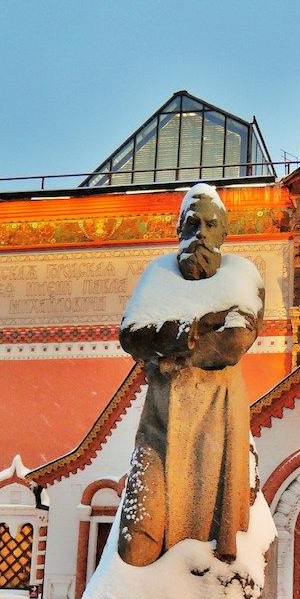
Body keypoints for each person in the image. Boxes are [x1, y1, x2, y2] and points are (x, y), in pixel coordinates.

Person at [114, 183, 264, 567]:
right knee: (136, 548)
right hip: (160, 426)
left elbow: (233, 343)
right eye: (192, 223)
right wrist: (196, 328)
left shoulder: (242, 274)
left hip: (216, 424)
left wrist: (170, 348)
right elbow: (132, 336)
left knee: (209, 546)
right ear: (178, 229)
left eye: (211, 225)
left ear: (224, 233)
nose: (200, 233)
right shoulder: (159, 274)